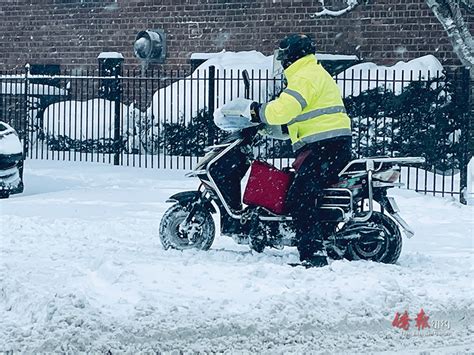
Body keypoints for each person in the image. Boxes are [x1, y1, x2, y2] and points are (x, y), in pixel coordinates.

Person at [249, 33, 352, 267]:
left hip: (326, 146)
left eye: (283, 54)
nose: (281, 59)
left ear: (292, 54)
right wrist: (266, 130)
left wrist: (256, 110)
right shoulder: (311, 73)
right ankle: (320, 238)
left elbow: (282, 111)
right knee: (304, 192)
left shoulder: (305, 76)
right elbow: (297, 119)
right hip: (327, 145)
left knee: (300, 198)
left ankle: (313, 255)